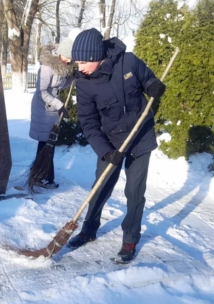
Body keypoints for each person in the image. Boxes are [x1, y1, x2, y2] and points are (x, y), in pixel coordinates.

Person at [67, 28, 166, 263]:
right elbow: (89, 123)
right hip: (109, 141)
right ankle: (89, 229)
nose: (79, 67)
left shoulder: (129, 61)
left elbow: (149, 79)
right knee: (100, 187)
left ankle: (130, 238)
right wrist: (105, 151)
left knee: (134, 192)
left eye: (82, 61)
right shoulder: (84, 84)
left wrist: (154, 86)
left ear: (96, 56)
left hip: (140, 137)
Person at [28, 28, 81, 189]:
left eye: (71, 59)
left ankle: (41, 175)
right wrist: (59, 105)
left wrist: (72, 79)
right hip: (42, 108)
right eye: (67, 57)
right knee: (46, 144)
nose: (69, 61)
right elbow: (42, 91)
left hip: (52, 107)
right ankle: (43, 177)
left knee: (47, 144)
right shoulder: (47, 67)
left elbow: (59, 85)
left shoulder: (62, 66)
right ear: (61, 53)